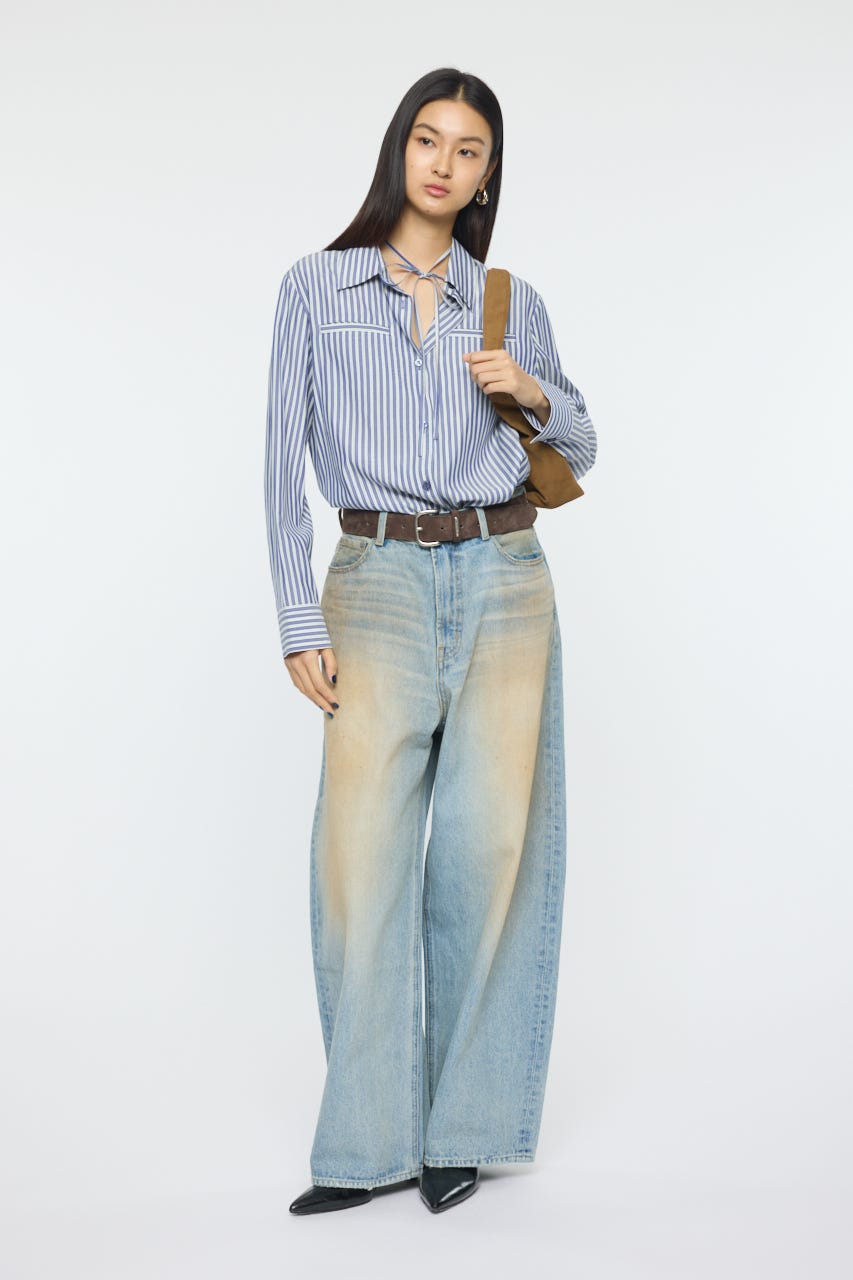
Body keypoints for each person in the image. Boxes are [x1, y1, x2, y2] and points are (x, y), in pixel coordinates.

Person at [263, 67, 598, 1216]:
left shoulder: (507, 300)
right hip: (375, 582)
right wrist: (297, 614)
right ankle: (364, 1143)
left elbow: (582, 445)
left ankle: (465, 1127)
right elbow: (278, 464)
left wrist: (532, 390)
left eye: (468, 149)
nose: (444, 163)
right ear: (397, 148)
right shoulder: (316, 287)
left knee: (488, 854)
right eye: (427, 138)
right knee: (357, 860)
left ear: (487, 174)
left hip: (504, 577)